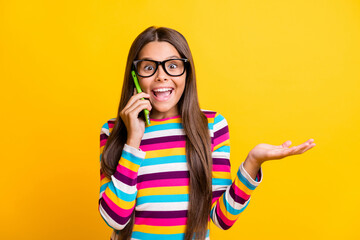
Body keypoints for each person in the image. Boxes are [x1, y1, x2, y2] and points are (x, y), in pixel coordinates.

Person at [98, 26, 316, 240]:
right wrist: (133, 140)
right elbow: (115, 219)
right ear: (135, 76)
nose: (161, 76)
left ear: (187, 72)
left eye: (173, 66)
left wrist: (252, 163)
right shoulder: (113, 130)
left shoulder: (211, 125)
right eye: (149, 68)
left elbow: (222, 218)